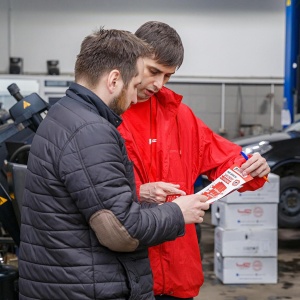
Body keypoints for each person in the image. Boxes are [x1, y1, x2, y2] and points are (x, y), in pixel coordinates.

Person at [18, 28, 210, 300]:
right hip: (86, 287)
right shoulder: (91, 130)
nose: (135, 99)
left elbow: (88, 200)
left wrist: (136, 193)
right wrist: (178, 212)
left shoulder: (63, 115)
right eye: (134, 87)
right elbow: (121, 232)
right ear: (114, 80)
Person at [118, 21, 271, 300]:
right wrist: (138, 193)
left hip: (179, 270)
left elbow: (223, 157)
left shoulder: (180, 116)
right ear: (131, 58)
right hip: (127, 274)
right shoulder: (107, 118)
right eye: (154, 71)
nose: (158, 84)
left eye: (167, 76)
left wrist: (250, 167)